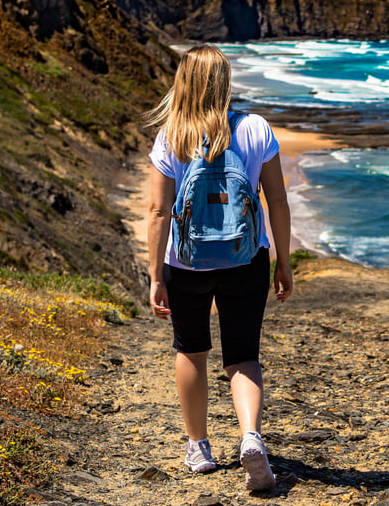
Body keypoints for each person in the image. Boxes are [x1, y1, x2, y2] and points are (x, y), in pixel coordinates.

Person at [145, 45, 293, 491]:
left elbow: (158, 211)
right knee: (243, 355)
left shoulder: (171, 135)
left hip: (186, 262)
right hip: (246, 257)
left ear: (184, 82)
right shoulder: (255, 128)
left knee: (191, 350)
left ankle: (199, 448)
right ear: (225, 82)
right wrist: (283, 262)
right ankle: (250, 436)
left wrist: (156, 276)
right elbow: (277, 200)